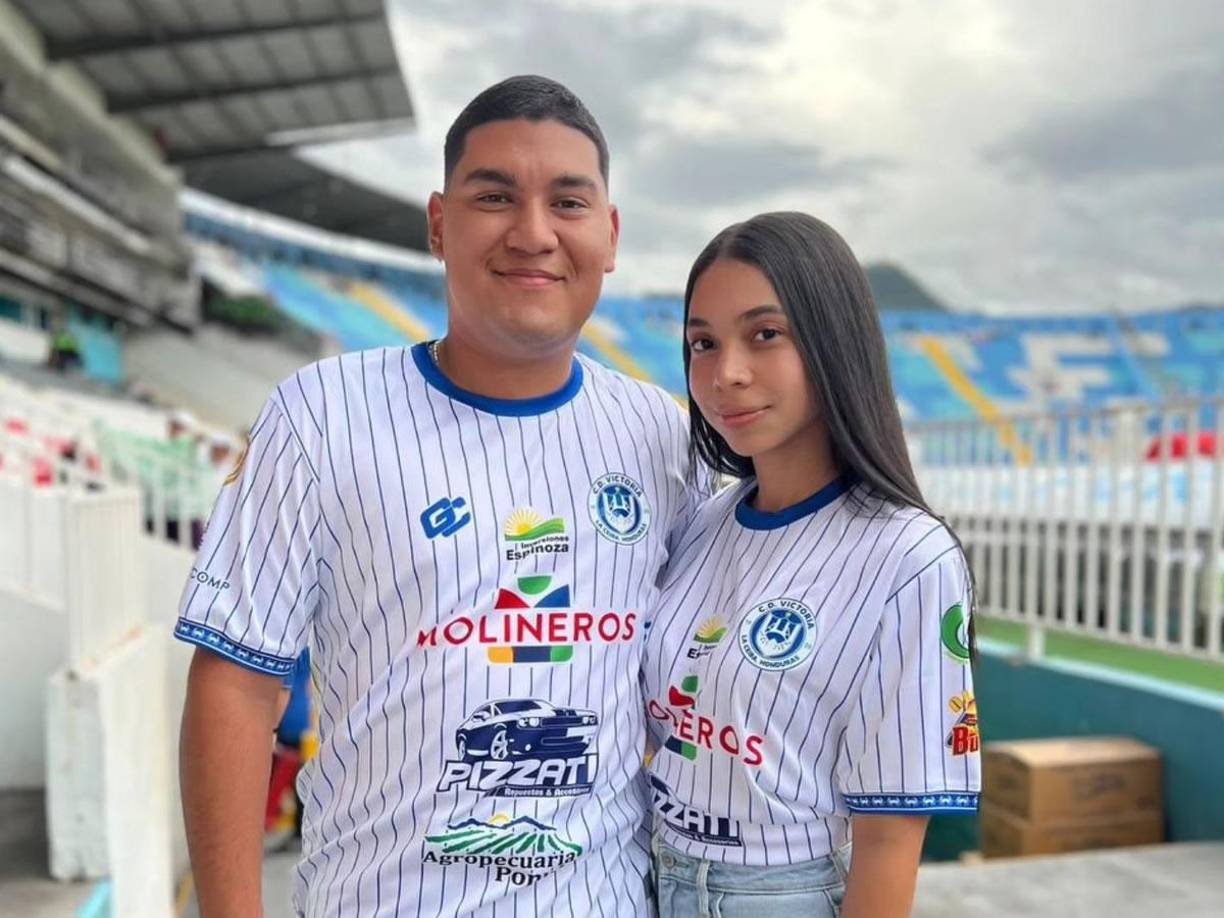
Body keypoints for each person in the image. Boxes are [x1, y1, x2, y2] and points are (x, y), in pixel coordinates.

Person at [175, 75, 699, 917]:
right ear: (439, 223)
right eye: (495, 196)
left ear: (609, 233)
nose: (533, 233)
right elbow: (237, 685)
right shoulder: (322, 413)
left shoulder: (665, 438)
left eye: (567, 202)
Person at [643, 212, 980, 917]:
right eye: (703, 342)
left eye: (765, 335)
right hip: (647, 876)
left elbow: (889, 842)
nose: (725, 373)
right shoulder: (701, 523)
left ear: (834, 342)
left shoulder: (907, 557)